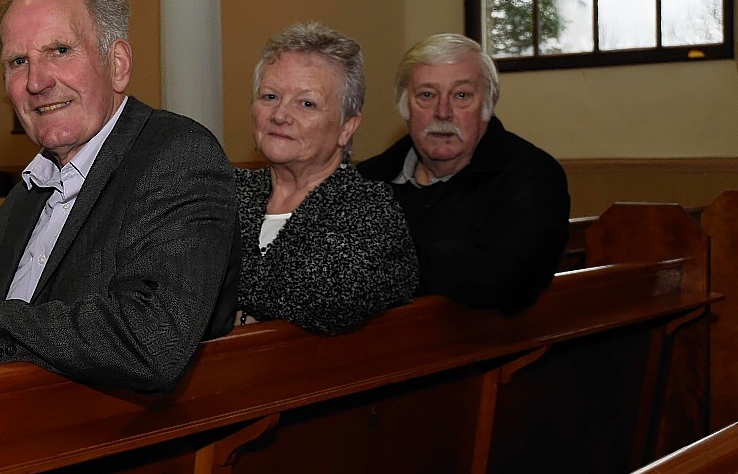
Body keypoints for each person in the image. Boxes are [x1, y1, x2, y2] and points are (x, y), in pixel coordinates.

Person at [0, 0, 240, 393]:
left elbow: (150, 337)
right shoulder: (31, 188)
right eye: (18, 61)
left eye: (60, 51)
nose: (37, 81)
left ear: (117, 64)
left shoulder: (176, 156)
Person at [358, 33, 570, 313]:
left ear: (487, 106)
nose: (442, 112)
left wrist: (371, 267)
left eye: (461, 95)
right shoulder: (364, 180)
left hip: (489, 350)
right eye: (426, 95)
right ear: (404, 105)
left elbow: (503, 277)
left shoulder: (533, 176)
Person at [235, 23, 418, 334]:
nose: (280, 115)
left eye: (306, 103)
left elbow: (326, 297)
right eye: (269, 96)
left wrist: (221, 306)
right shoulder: (224, 192)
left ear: (347, 126)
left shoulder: (370, 211)